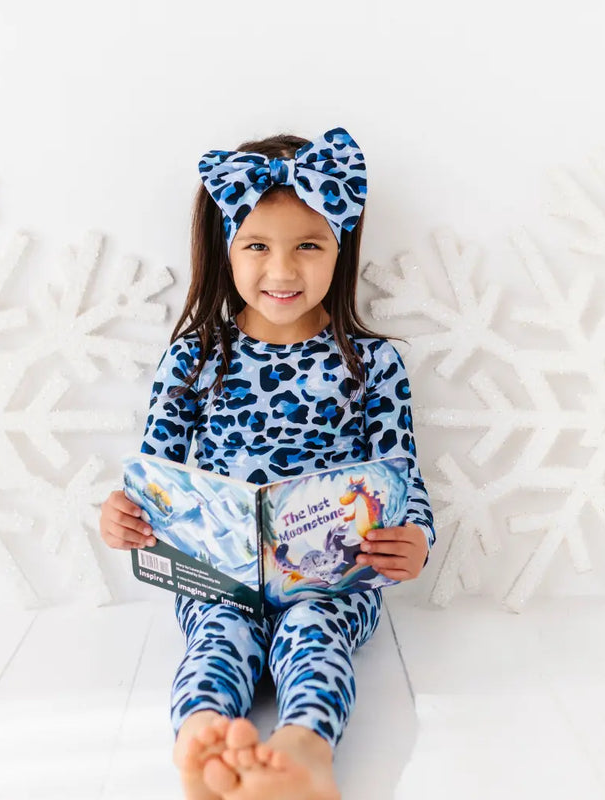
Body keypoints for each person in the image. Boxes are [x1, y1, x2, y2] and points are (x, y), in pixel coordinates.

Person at [99, 127, 436, 800]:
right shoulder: (194, 357)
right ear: (225, 249)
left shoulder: (374, 363)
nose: (282, 272)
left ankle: (302, 751)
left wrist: (416, 538)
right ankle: (202, 740)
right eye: (257, 246)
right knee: (217, 638)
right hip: (217, 575)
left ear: (340, 249)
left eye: (308, 246)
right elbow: (156, 475)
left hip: (332, 577)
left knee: (315, 632)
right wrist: (124, 515)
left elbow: (400, 473)